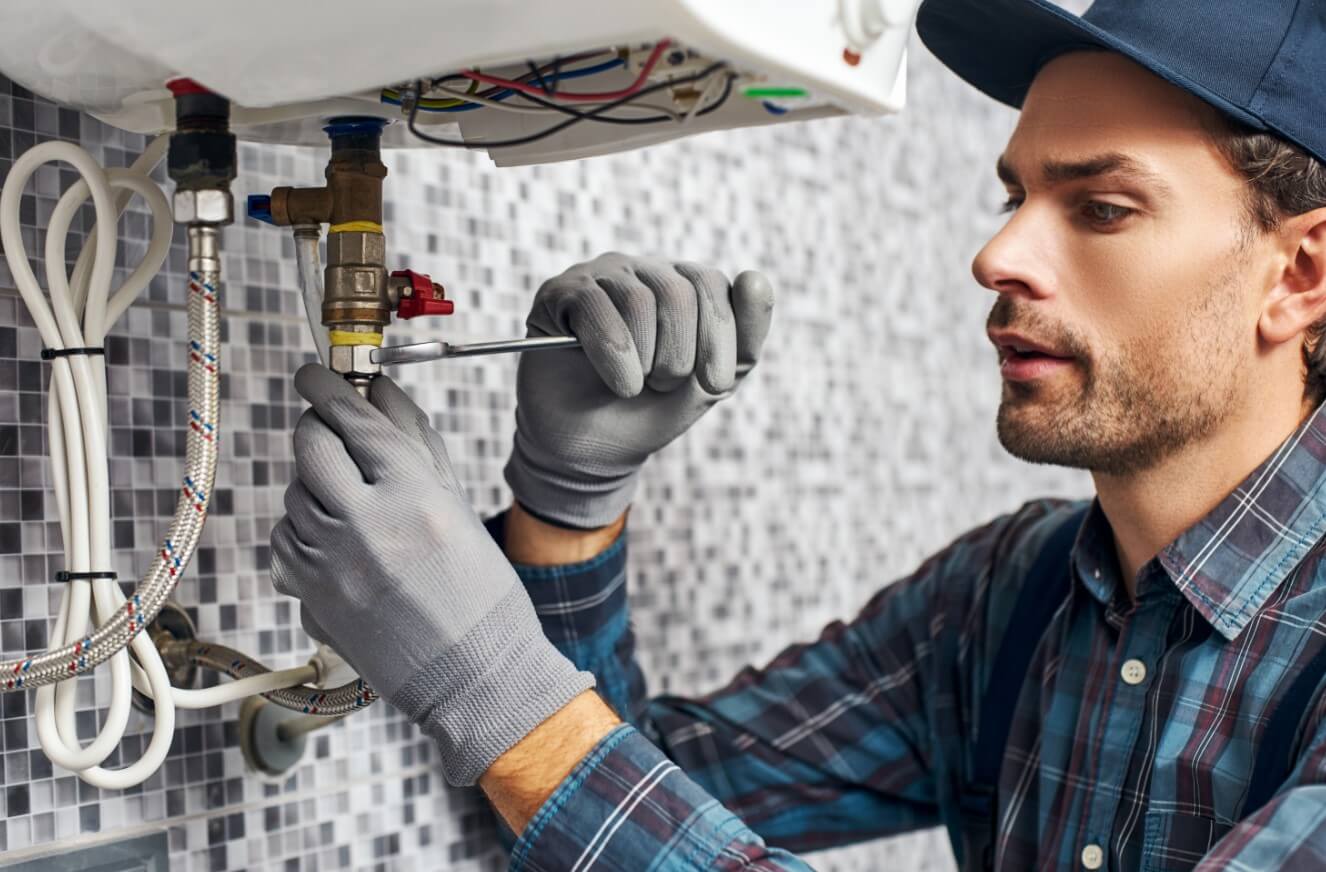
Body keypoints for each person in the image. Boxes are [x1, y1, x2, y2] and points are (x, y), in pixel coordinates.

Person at [268, 0, 1326, 868]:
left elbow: (558, 759)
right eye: (1014, 195)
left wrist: (493, 687)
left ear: (1301, 275)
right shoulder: (1012, 595)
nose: (998, 253)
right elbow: (625, 798)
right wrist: (566, 505)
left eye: (1099, 207)